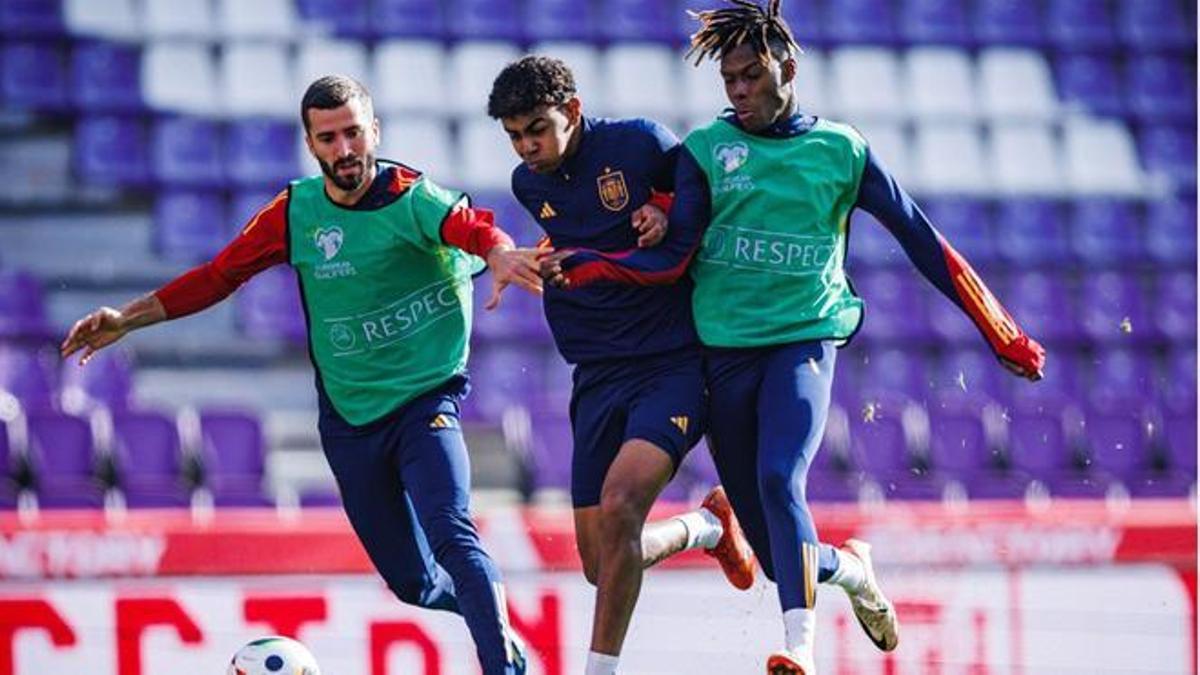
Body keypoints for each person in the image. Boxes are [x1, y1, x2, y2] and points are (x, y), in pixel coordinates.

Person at [537, 2, 1049, 672]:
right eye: (730, 81)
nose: (741, 90)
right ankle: (852, 568)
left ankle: (797, 649)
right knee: (784, 559)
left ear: (789, 65)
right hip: (722, 354)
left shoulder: (841, 151)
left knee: (782, 478)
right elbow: (670, 252)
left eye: (751, 74)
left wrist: (998, 328)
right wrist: (630, 235)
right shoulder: (705, 152)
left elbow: (923, 241)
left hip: (801, 343)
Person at [60, 76, 541, 675]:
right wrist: (127, 320)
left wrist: (497, 252)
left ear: (375, 132)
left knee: (452, 534)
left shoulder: (413, 198)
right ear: (311, 145)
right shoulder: (295, 213)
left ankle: (504, 665)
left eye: (354, 133)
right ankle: (489, 615)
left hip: (427, 403)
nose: (345, 150)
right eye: (329, 138)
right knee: (414, 584)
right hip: (350, 421)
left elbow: (473, 230)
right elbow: (219, 276)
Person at [486, 56, 756, 675]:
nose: (527, 146)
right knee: (596, 560)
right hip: (596, 376)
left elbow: (697, 200)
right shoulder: (531, 186)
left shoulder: (638, 143)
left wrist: (664, 207)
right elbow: (587, 236)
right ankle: (705, 529)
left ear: (573, 112)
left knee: (621, 505)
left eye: (538, 128)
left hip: (671, 366)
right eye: (515, 135)